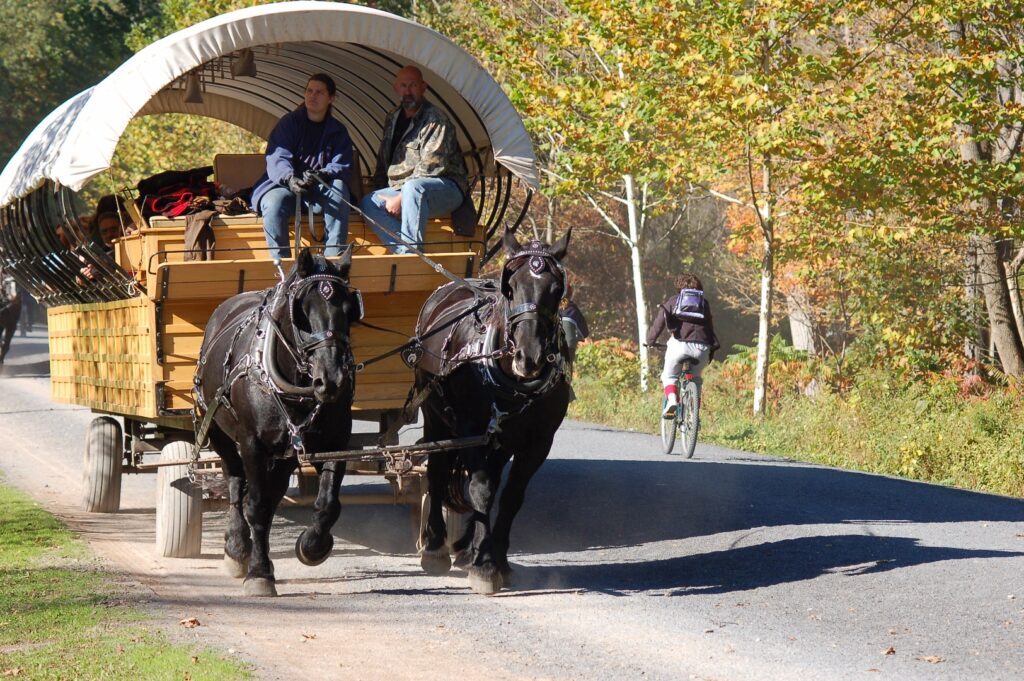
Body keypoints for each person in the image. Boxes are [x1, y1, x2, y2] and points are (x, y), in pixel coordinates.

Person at [359, 66, 469, 253]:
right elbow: (384, 160)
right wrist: (379, 189)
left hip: (445, 188)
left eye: (413, 85)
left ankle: (411, 251)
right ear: (396, 89)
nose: (408, 91)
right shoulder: (392, 118)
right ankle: (405, 251)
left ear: (423, 87)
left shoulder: (436, 119)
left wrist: (400, 198)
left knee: (413, 188)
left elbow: (431, 166)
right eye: (403, 86)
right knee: (369, 202)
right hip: (404, 189)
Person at [250, 73, 354, 260]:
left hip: (320, 189)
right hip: (285, 187)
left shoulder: (338, 131)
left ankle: (334, 261)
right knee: (273, 203)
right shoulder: (289, 123)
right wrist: (290, 178)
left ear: (331, 98)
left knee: (339, 188)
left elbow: (343, 164)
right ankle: (281, 267)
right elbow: (276, 157)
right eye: (309, 91)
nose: (312, 96)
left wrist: (321, 174)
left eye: (319, 92)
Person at [646, 274, 720, 418]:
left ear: (679, 287)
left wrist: (650, 341)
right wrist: (711, 350)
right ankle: (694, 415)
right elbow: (710, 328)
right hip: (702, 348)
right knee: (696, 379)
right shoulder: (704, 304)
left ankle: (672, 399)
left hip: (679, 346)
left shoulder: (674, 301)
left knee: (669, 375)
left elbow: (658, 324)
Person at [559, 282, 589, 361]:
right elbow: (584, 332)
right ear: (570, 294)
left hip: (551, 349)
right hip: (568, 349)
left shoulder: (551, 309)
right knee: (567, 371)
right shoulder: (573, 310)